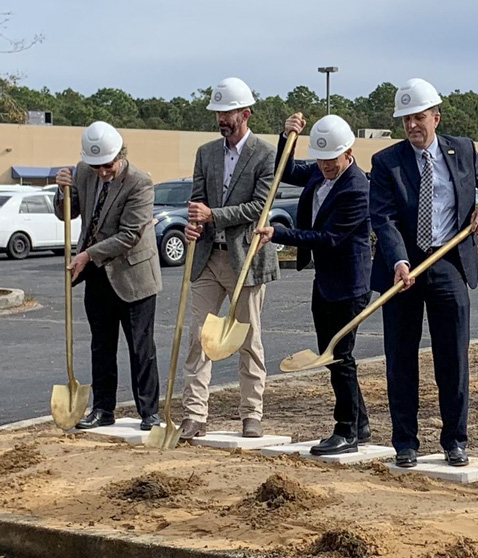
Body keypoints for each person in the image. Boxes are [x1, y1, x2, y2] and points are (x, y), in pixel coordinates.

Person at [369, 78, 478, 467]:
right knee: (400, 358)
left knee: (453, 357)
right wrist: (399, 261)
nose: (412, 126)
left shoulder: (462, 150)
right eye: (406, 120)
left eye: (419, 118)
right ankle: (405, 443)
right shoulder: (387, 162)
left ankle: (455, 441)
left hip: (448, 262)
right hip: (403, 268)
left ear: (436, 118)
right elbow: (384, 218)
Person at [256, 113, 372, 455]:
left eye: (331, 159)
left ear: (348, 152)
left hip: (350, 284)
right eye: (320, 159)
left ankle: (346, 431)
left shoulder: (357, 189)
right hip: (325, 281)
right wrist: (287, 137)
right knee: (332, 355)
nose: (325, 166)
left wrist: (280, 233)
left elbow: (329, 238)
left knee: (339, 356)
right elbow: (287, 171)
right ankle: (360, 424)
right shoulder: (319, 173)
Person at [179, 77, 278, 439]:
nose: (221, 119)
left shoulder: (265, 154)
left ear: (245, 113)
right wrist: (193, 222)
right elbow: (197, 199)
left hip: (246, 259)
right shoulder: (205, 153)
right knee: (198, 338)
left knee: (248, 340)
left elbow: (259, 207)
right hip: (208, 257)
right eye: (218, 113)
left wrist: (213, 216)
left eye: (228, 112)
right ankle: (194, 414)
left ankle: (252, 413)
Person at [53, 121, 162, 431]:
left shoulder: (140, 182)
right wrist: (61, 190)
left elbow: (129, 235)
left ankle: (149, 413)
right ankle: (103, 409)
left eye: (108, 165)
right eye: (96, 166)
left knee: (141, 348)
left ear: (121, 155)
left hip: (134, 276)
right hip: (98, 275)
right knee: (101, 346)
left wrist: (87, 254)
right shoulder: (83, 172)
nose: (102, 171)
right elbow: (67, 213)